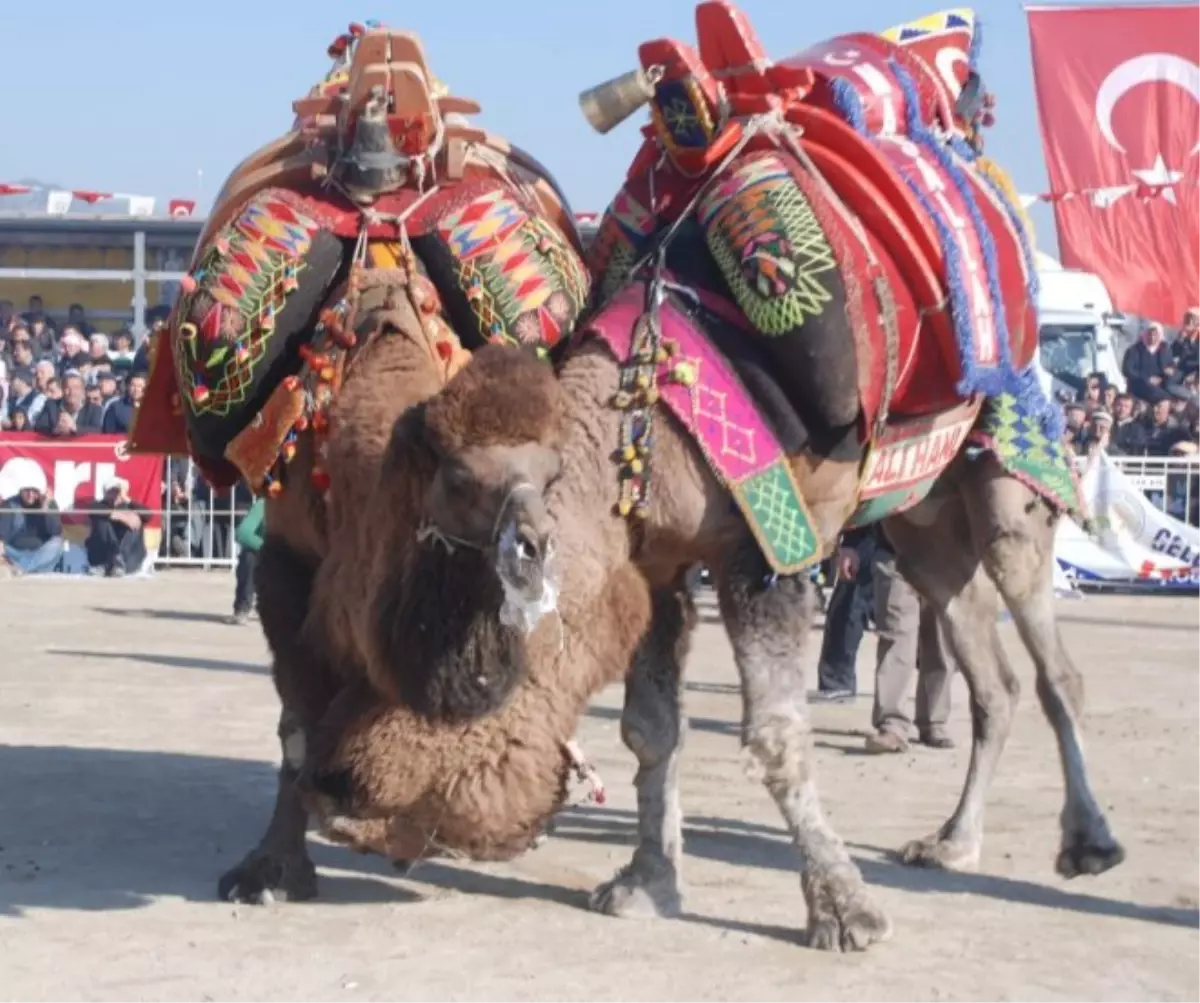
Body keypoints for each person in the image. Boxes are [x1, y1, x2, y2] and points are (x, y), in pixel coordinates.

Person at [835, 530, 956, 753]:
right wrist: (851, 543)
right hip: (894, 552)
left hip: (947, 557)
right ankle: (892, 725)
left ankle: (934, 722)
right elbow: (868, 496)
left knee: (941, 642)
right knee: (896, 638)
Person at [814, 526, 879, 700]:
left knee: (851, 604)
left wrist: (852, 543)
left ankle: (838, 681)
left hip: (877, 531)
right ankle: (837, 680)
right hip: (882, 532)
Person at [0, 463, 64, 576]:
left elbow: (56, 531)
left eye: (34, 491)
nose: (30, 495)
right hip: (15, 553)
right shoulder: (10, 504)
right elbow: (2, 535)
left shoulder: (49, 503)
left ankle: (22, 569)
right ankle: (25, 569)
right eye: (27, 491)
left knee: (57, 544)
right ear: (20, 490)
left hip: (39, 554)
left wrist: (45, 508)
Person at [84, 477, 149, 577]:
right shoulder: (98, 505)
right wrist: (122, 516)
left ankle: (119, 562)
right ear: (105, 493)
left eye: (117, 492)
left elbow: (148, 515)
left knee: (136, 523)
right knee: (102, 522)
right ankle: (109, 563)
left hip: (127, 559)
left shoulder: (131, 506)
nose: (114, 495)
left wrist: (126, 499)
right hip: (103, 559)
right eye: (111, 491)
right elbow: (93, 509)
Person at [230, 497, 265, 624]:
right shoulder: (263, 505)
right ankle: (242, 608)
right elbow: (242, 532)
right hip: (267, 555)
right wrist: (268, 548)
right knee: (248, 556)